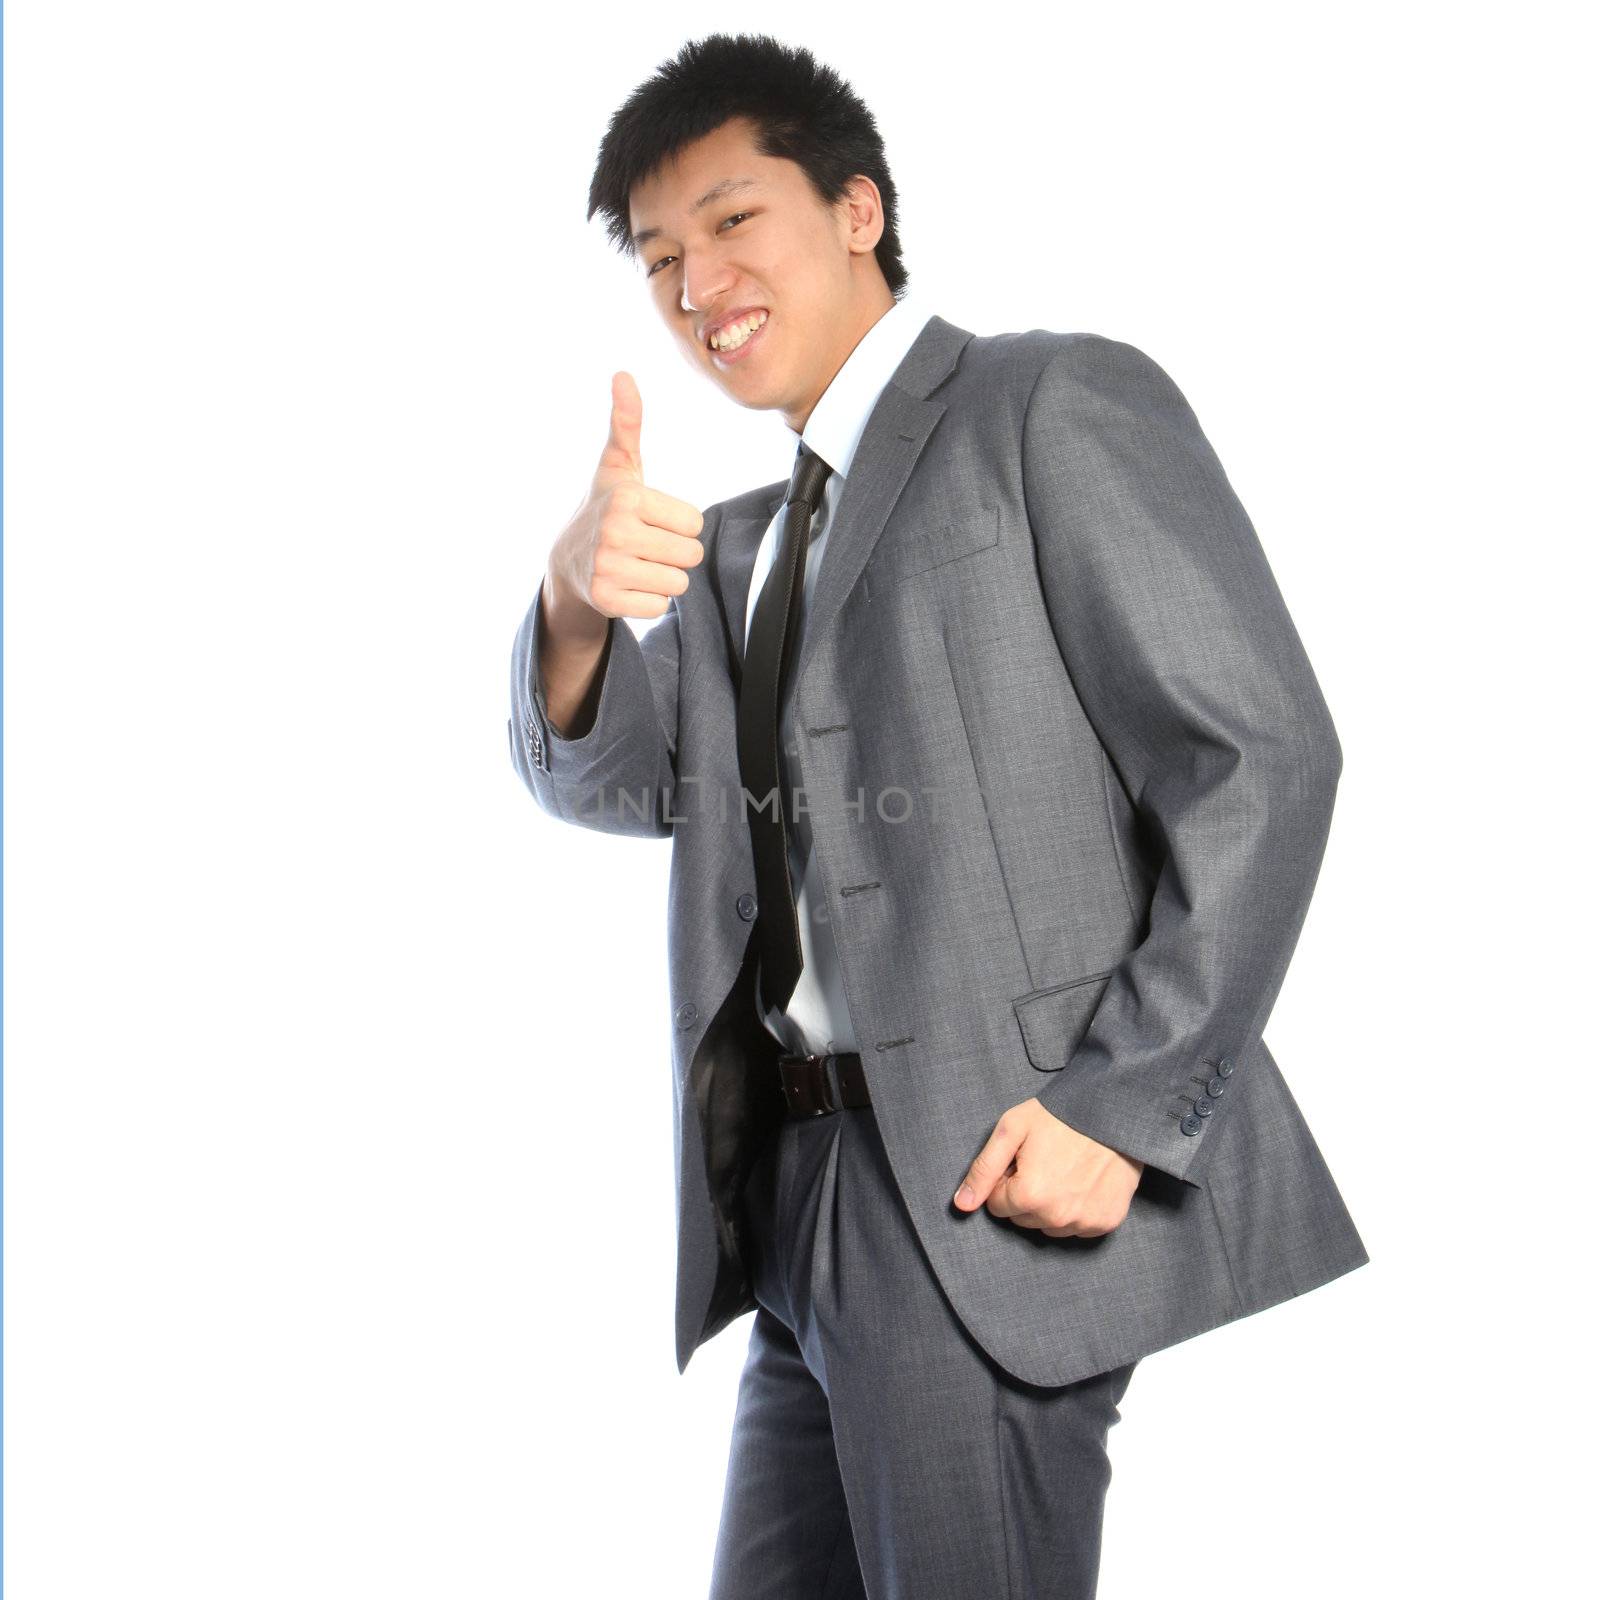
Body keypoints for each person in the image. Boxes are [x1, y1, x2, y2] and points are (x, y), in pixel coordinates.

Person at [508, 31, 1369, 1599]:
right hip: (791, 1206)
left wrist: (1124, 1108)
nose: (697, 285)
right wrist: (572, 600)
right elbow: (626, 782)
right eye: (657, 259)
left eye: (730, 221)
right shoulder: (742, 545)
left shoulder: (1050, 402)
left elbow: (1260, 756)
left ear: (857, 206)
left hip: (979, 1190)